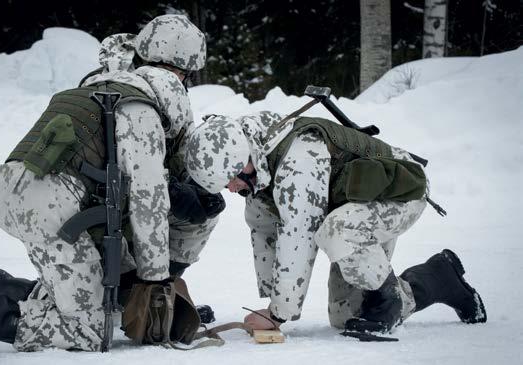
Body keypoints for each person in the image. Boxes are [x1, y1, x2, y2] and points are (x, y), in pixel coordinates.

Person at [0, 14, 222, 354]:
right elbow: (148, 203)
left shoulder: (100, 86)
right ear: (180, 76)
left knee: (99, 288)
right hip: (51, 207)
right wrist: (156, 286)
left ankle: (4, 286)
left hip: (17, 191)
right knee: (90, 329)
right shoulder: (140, 110)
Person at [183, 111, 487, 335]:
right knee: (347, 317)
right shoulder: (256, 151)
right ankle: (439, 278)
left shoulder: (299, 159)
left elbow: (300, 235)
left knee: (335, 233)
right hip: (356, 205)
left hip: (399, 194)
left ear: (241, 158)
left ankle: (389, 299)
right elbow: (264, 226)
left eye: (231, 180)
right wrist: (271, 297)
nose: (232, 188)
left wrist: (278, 315)